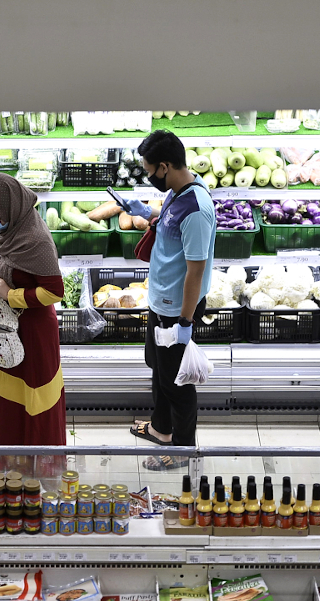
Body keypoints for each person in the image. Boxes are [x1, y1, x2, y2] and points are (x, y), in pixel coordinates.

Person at [121, 130, 215, 471]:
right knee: (158, 370)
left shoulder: (197, 209)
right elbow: (170, 230)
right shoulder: (180, 191)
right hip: (161, 301)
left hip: (178, 309)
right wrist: (148, 214)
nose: (147, 176)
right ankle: (161, 430)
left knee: (177, 383)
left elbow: (195, 271)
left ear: (164, 166)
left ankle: (183, 449)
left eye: (149, 171)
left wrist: (185, 323)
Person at [0, 173, 66, 469]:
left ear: (8, 208)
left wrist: (12, 294)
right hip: (7, 328)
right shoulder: (11, 230)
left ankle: (40, 461)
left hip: (33, 334)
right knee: (8, 395)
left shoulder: (36, 240)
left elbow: (54, 291)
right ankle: (6, 455)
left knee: (34, 398)